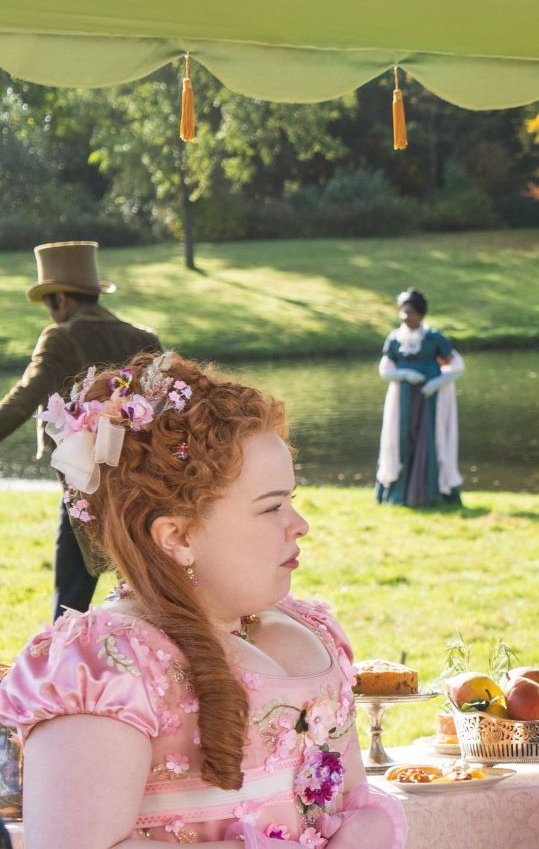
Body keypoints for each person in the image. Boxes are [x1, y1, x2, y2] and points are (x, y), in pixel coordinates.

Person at [0, 352, 406, 847]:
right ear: (178, 536)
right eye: (272, 506)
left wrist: (364, 828)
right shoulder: (109, 666)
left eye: (292, 500)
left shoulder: (310, 630)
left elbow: (349, 795)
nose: (299, 525)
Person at [0, 241, 162, 619]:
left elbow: (24, 399)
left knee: (71, 597)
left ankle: (63, 668)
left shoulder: (62, 337)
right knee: (150, 586)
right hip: (142, 479)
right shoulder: (144, 337)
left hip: (85, 482)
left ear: (60, 299)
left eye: (48, 302)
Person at [375, 288, 464, 507]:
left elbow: (457, 366)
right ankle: (398, 495)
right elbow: (385, 369)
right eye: (403, 312)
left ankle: (432, 494)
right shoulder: (395, 339)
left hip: (429, 401)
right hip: (403, 400)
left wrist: (436, 383)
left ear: (421, 314)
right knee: (402, 439)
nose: (406, 317)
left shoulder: (434, 338)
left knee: (430, 440)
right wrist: (403, 374)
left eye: (411, 312)